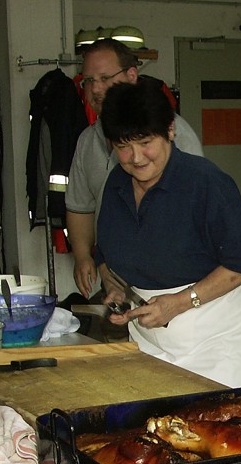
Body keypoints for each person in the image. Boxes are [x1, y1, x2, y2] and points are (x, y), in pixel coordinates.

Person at [94, 80, 241, 386]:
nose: (136, 157)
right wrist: (117, 289)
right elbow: (106, 254)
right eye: (123, 147)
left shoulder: (205, 183)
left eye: (145, 142)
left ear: (170, 130)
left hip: (221, 342)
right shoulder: (116, 184)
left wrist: (177, 303)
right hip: (150, 343)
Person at [64, 38, 204, 299]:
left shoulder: (171, 133)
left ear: (131, 76)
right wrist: (84, 257)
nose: (96, 88)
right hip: (118, 283)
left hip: (172, 285)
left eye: (105, 78)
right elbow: (80, 206)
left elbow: (190, 216)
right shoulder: (87, 140)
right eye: (89, 80)